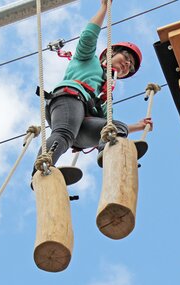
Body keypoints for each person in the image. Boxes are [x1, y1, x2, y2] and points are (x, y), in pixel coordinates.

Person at [33, 0, 152, 186]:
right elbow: (89, 36)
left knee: (115, 127)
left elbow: (105, 123)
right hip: (70, 99)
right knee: (64, 133)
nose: (127, 65)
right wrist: (104, 9)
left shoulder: (105, 95)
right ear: (110, 53)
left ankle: (110, 158)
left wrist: (137, 126)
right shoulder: (89, 60)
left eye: (130, 66)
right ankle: (41, 169)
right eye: (126, 58)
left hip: (83, 125)